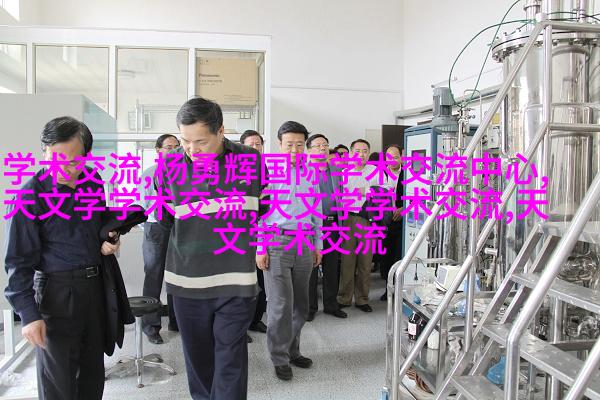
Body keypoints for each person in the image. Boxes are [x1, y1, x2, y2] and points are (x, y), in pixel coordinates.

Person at [4, 116, 121, 400]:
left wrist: (108, 239)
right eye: (53, 159)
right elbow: (18, 261)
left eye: (72, 162)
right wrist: (29, 316)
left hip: (94, 289)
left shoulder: (93, 181)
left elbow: (97, 225)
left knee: (92, 376)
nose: (61, 168)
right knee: (59, 383)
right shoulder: (30, 195)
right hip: (56, 295)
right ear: (44, 152)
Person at [159, 97, 263, 399]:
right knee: (199, 361)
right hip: (187, 281)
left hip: (236, 280)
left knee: (231, 359)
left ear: (221, 131)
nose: (192, 149)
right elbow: (166, 219)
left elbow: (264, 208)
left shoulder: (250, 160)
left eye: (200, 141)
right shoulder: (169, 165)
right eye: (185, 141)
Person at [256, 121, 322, 381]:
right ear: (279, 144)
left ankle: (293, 350)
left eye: (299, 145)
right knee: (280, 305)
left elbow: (316, 211)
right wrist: (261, 246)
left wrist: (318, 245)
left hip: (305, 242)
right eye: (289, 144)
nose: (294, 150)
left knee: (301, 306)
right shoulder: (268, 171)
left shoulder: (312, 172)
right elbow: (260, 214)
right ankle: (279, 357)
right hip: (276, 242)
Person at [139, 134, 180, 344]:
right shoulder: (150, 173)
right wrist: (149, 228)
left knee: (178, 276)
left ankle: (176, 321)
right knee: (154, 276)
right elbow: (141, 207)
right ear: (158, 151)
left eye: (176, 146)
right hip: (155, 229)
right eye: (168, 147)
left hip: (179, 228)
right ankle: (151, 327)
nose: (173, 150)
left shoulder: (183, 174)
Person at [305, 133, 347, 321]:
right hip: (313, 225)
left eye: (325, 144)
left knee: (332, 266)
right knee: (312, 267)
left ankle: (331, 305)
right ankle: (310, 307)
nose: (323, 148)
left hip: (333, 223)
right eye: (318, 145)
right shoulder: (303, 171)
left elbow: (342, 196)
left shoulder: (336, 171)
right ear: (309, 150)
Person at [337, 139, 377, 312]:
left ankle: (362, 299)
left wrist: (364, 190)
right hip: (348, 219)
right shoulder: (343, 173)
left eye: (365, 151)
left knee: (365, 262)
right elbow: (339, 196)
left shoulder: (375, 171)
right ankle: (344, 298)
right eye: (357, 151)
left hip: (367, 219)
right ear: (351, 153)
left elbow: (385, 191)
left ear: (368, 153)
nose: (361, 154)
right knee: (347, 261)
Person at [239, 129, 268, 337]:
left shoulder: (265, 168)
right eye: (251, 144)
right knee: (245, 283)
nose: (255, 147)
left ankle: (256, 320)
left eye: (258, 144)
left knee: (261, 279)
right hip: (240, 233)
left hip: (261, 230)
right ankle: (241, 326)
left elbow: (267, 199)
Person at [380, 144, 404, 300]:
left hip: (402, 220)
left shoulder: (408, 174)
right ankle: (387, 289)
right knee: (386, 257)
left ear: (401, 157)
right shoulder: (379, 174)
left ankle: (398, 290)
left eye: (395, 157)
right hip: (384, 221)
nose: (392, 160)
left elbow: (417, 194)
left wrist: (404, 208)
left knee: (399, 255)